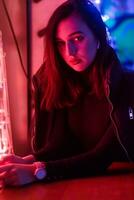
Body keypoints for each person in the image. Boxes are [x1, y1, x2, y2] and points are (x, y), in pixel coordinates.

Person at [0, 0, 134, 187]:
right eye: (60, 43)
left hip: (121, 187)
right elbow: (61, 146)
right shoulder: (60, 84)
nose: (69, 52)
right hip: (78, 186)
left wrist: (38, 171)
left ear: (98, 37)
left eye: (78, 38)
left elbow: (104, 156)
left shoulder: (128, 86)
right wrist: (29, 160)